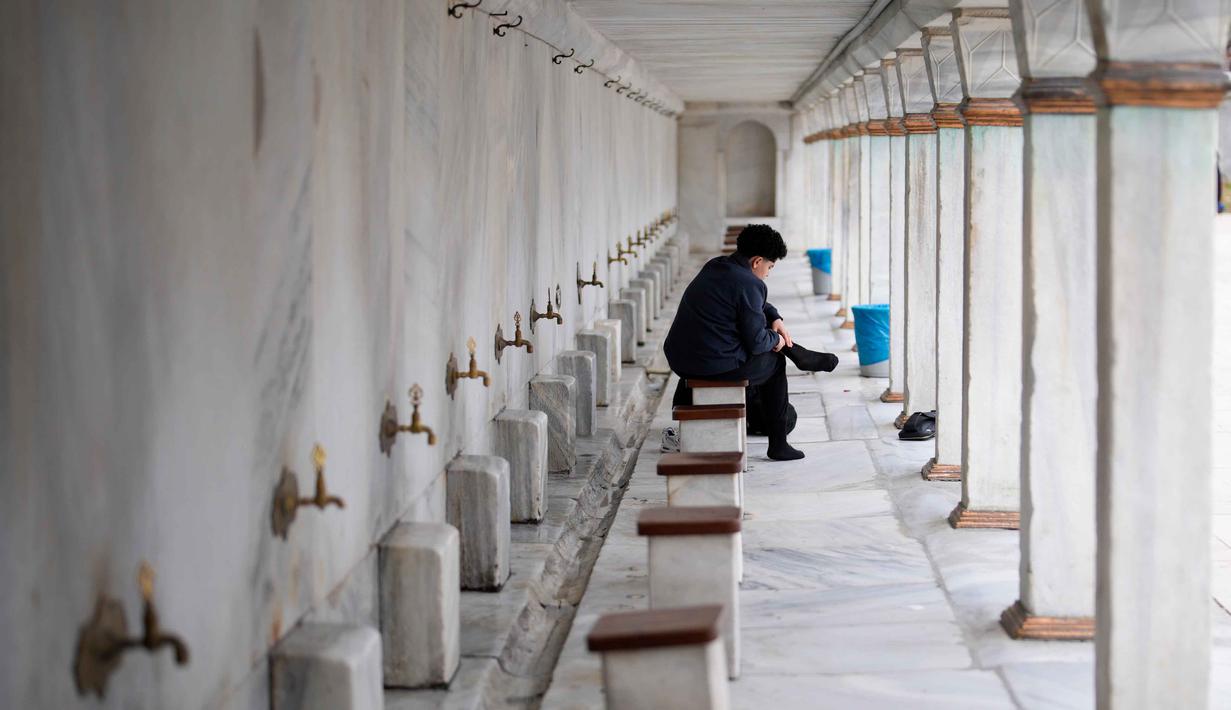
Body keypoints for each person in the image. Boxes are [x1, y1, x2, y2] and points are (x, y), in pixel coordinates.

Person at [663, 224, 838, 461]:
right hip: (709, 364)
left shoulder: (717, 266)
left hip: (681, 358)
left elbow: (756, 305)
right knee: (774, 361)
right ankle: (779, 444)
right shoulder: (749, 283)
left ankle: (799, 354)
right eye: (770, 266)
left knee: (762, 340)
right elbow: (757, 343)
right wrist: (776, 339)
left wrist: (775, 317)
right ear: (757, 261)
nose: (768, 272)